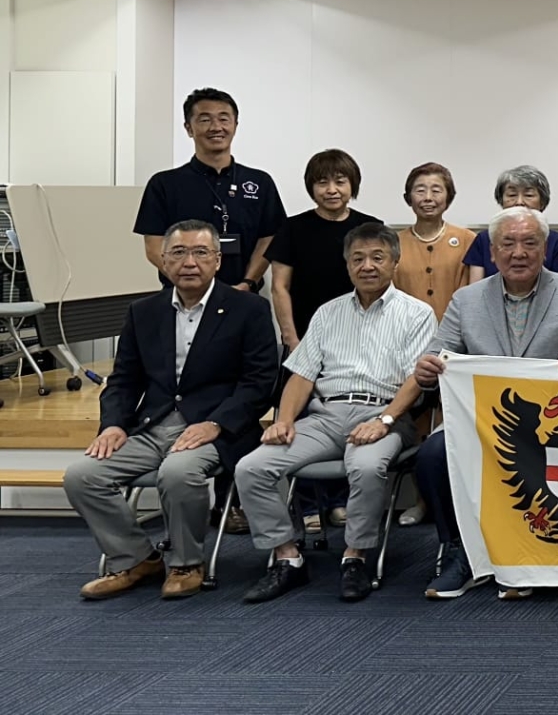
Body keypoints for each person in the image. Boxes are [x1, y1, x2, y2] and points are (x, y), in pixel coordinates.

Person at [64, 220, 278, 600]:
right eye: (178, 253)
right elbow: (125, 379)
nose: (189, 262)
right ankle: (135, 559)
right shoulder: (144, 311)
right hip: (153, 426)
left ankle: (186, 562)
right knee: (83, 475)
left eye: (200, 253)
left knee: (178, 472)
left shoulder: (249, 309)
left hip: (218, 427)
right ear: (163, 261)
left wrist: (216, 423)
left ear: (217, 260)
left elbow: (259, 383)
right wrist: (113, 425)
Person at [234, 224, 435, 604]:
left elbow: (416, 381)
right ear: (347, 265)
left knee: (366, 466)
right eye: (357, 259)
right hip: (326, 415)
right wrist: (285, 420)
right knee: (252, 467)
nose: (367, 266)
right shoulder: (328, 313)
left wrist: (385, 421)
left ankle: (355, 557)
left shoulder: (417, 314)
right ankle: (287, 557)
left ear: (395, 261)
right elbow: (302, 374)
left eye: (378, 257)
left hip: (384, 412)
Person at [410, 206, 558, 601]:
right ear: (492, 253)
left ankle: (532, 552)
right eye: (507, 244)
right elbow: (437, 353)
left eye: (530, 243)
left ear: (545, 249)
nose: (519, 252)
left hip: (548, 425)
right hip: (477, 422)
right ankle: (458, 551)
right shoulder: (466, 300)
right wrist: (427, 367)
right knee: (431, 455)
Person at [134, 87, 286, 292]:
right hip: (182, 297)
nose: (216, 127)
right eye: (205, 120)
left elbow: (269, 238)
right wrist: (189, 280)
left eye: (224, 119)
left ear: (235, 125)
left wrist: (248, 283)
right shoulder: (164, 184)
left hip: (243, 296)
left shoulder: (260, 182)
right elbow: (154, 246)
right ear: (189, 128)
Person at [266, 149, 380, 352]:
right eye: (322, 182)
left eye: (340, 181)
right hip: (306, 334)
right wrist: (291, 339)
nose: (331, 190)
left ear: (352, 184)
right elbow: (279, 287)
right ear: (311, 187)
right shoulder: (292, 228)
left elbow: (384, 282)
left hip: (364, 334)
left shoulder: (371, 227)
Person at [393, 162, 474, 321]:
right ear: (408, 198)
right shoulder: (393, 243)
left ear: (449, 197)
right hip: (405, 333)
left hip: (456, 333)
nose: (428, 198)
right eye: (420, 191)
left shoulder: (468, 240)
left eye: (436, 191)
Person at [463, 166, 558, 281]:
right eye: (512, 195)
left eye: (529, 195)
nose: (519, 202)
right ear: (501, 201)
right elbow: (475, 289)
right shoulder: (483, 239)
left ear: (542, 202)